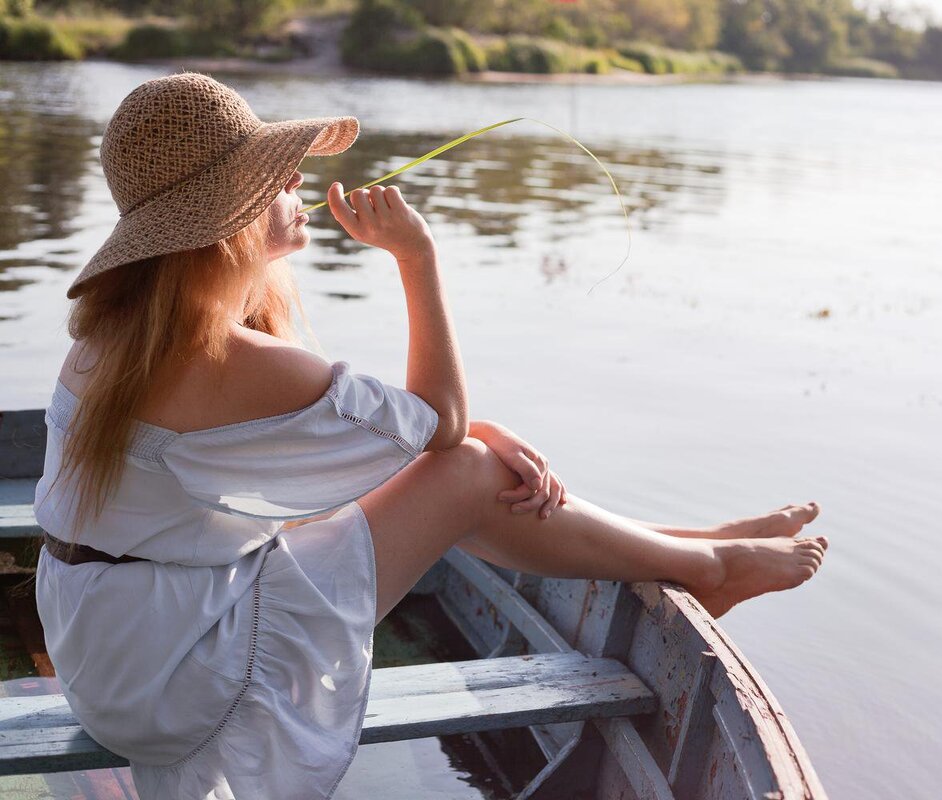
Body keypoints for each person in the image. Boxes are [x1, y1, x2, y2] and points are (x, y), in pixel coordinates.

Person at [34, 72, 829, 799]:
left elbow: (407, 433)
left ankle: (697, 545)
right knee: (473, 473)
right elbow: (442, 427)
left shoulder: (114, 335)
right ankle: (709, 564)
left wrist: (455, 430)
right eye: (270, 173)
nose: (295, 180)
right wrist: (416, 256)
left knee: (457, 465)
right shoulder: (232, 358)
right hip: (175, 672)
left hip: (110, 652)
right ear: (226, 220)